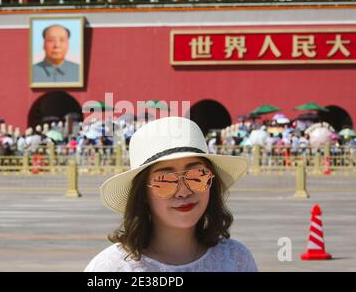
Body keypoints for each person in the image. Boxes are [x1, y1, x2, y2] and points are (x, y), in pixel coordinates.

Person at [84, 116, 257, 272]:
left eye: (197, 175)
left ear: (211, 181)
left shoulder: (236, 260)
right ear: (143, 193)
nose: (183, 191)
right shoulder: (112, 268)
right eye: (165, 180)